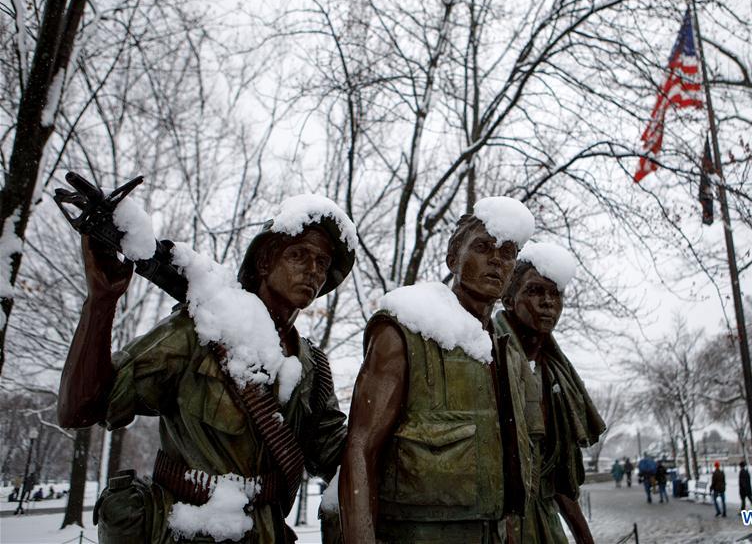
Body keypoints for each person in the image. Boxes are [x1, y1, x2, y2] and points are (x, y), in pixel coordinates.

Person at [57, 195, 357, 544]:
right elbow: (80, 409)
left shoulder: (312, 367)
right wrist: (101, 301)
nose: (313, 271)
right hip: (190, 529)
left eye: (323, 262)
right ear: (263, 262)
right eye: (298, 255)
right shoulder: (198, 333)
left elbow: (338, 455)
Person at [339, 198, 537, 544]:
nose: (496, 259)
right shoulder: (404, 331)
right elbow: (360, 447)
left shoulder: (507, 354)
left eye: (507, 253)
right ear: (452, 260)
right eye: (483, 247)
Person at [494, 242, 604, 544]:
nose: (547, 302)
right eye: (534, 291)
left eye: (555, 294)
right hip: (498, 525)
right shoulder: (488, 357)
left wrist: (584, 536)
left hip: (545, 524)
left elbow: (558, 476)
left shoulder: (554, 373)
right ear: (509, 298)